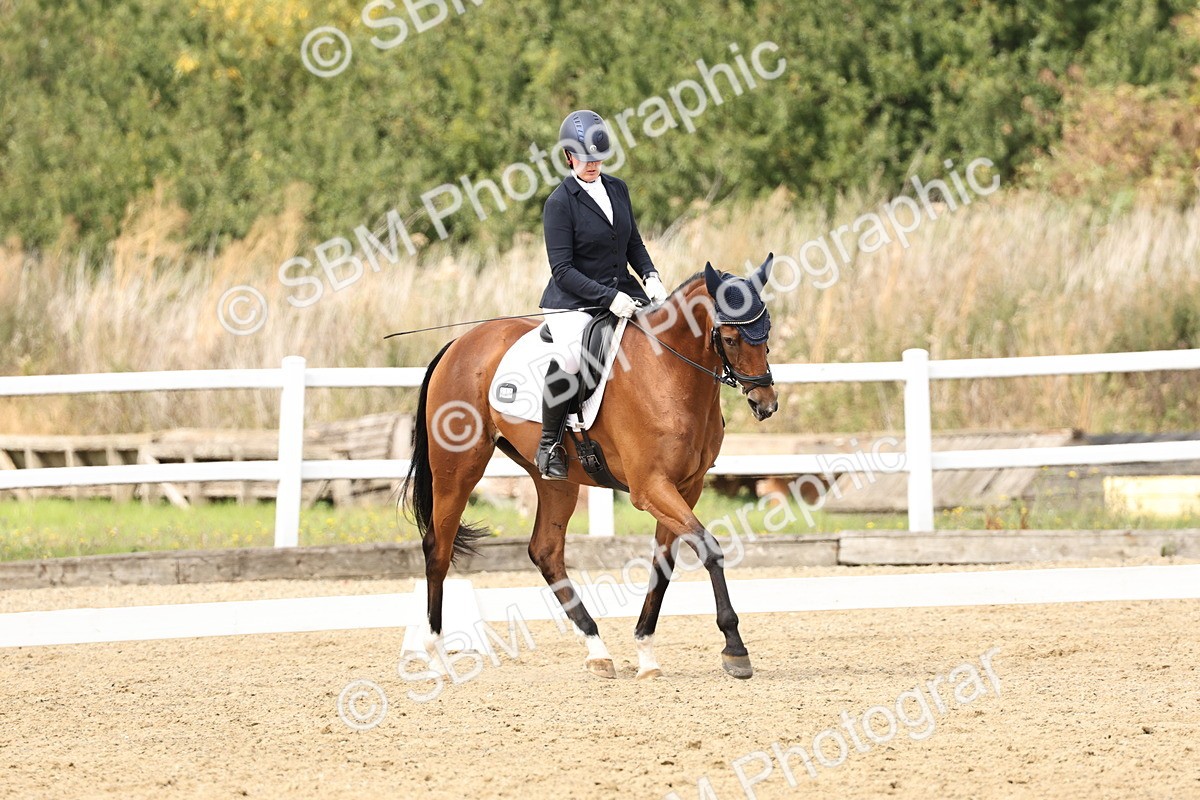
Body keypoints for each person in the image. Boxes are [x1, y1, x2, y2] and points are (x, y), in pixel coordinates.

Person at [535, 109, 669, 480]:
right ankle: (549, 445)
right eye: (584, 158)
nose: (592, 165)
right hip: (572, 301)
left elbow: (633, 243)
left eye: (597, 158)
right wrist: (608, 298)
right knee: (572, 359)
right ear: (568, 157)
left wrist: (650, 276)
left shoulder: (617, 188)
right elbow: (562, 270)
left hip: (624, 292)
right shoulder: (559, 204)